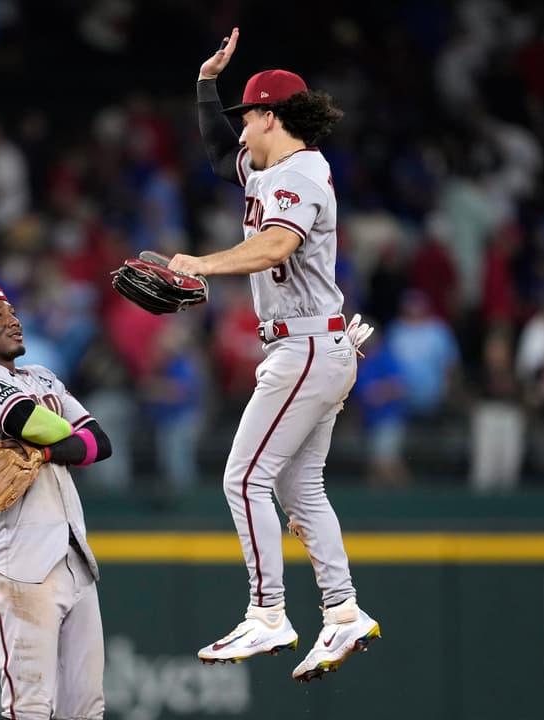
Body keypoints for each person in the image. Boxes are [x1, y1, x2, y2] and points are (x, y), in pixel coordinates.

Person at [168, 27, 381, 682]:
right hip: (313, 343)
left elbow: (274, 248)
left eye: (245, 117)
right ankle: (342, 612)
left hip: (306, 348)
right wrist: (208, 85)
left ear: (271, 116)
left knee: (244, 477)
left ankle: (268, 613)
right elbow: (213, 155)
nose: (238, 132)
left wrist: (200, 264)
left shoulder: (300, 174)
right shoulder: (270, 169)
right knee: (299, 486)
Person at [0, 281, 113, 719]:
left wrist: (46, 451)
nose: (12, 320)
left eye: (12, 311)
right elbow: (31, 422)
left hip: (74, 558)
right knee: (31, 707)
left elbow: (100, 443)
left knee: (86, 709)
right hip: (19, 561)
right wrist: (56, 439)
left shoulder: (42, 376)